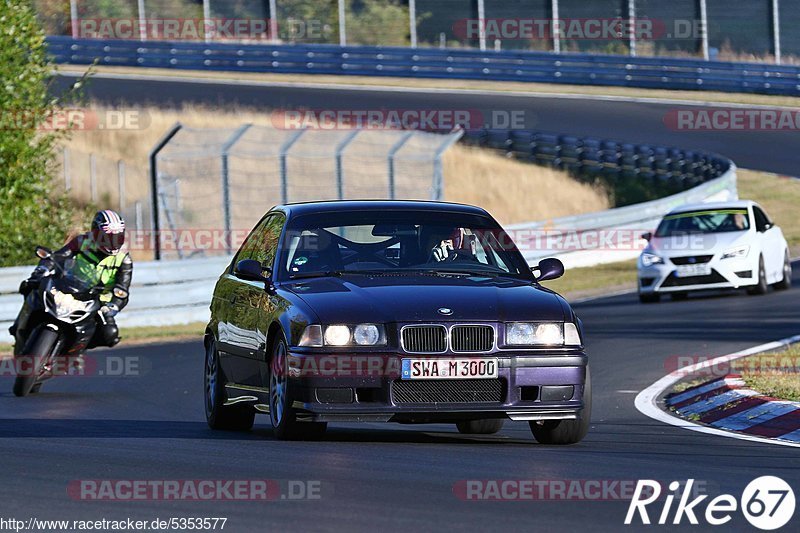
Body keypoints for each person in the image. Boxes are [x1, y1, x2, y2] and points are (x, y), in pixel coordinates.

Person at [9, 210, 133, 349]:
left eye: (117, 237)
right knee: (31, 287)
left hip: (96, 302)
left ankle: (77, 352)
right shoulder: (83, 242)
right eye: (106, 237)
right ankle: (18, 327)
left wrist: (111, 307)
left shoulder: (123, 259)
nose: (112, 242)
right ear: (95, 233)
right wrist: (42, 270)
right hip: (68, 288)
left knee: (109, 334)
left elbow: (122, 292)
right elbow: (58, 256)